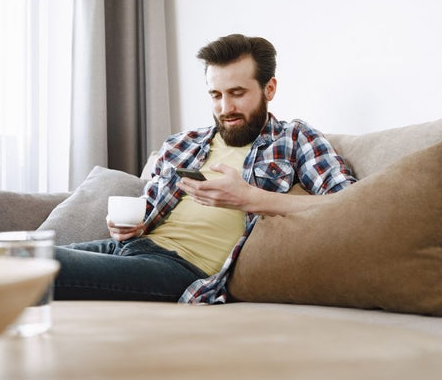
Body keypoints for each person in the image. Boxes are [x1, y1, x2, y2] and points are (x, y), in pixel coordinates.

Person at [54, 34, 356, 304]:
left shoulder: (294, 138)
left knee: (39, 265)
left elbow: (352, 203)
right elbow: (148, 210)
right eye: (216, 95)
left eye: (237, 93)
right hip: (129, 250)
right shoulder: (182, 144)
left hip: (181, 268)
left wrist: (249, 198)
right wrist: (129, 225)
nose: (225, 108)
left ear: (270, 88)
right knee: (18, 255)